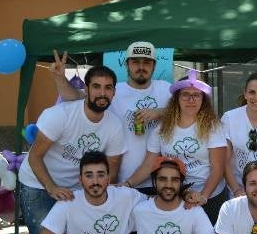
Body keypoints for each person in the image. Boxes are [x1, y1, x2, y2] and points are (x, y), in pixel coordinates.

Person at [19, 66, 126, 234]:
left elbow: (112, 169)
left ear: (113, 92)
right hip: (38, 184)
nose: (102, 93)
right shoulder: (60, 115)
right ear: (86, 89)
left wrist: (101, 199)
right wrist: (51, 188)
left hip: (78, 190)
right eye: (96, 86)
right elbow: (35, 156)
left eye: (108, 88)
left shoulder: (114, 125)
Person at [53, 42, 172, 190]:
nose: (141, 67)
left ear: (154, 66)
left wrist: (159, 112)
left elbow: (187, 112)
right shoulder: (112, 91)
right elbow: (75, 97)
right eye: (135, 62)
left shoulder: (165, 89)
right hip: (120, 180)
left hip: (159, 181)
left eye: (147, 62)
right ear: (127, 65)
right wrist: (60, 78)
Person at [124, 70, 226, 223]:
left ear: (203, 99)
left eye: (196, 95)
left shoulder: (213, 127)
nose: (191, 100)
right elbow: (148, 165)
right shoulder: (162, 128)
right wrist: (127, 184)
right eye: (185, 94)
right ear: (177, 98)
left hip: (210, 196)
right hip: (176, 194)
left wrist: (203, 196)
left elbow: (218, 169)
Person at [222, 73, 257, 197]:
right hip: (237, 191)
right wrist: (236, 190)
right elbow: (225, 161)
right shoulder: (230, 118)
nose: (256, 97)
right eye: (252, 92)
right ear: (245, 94)